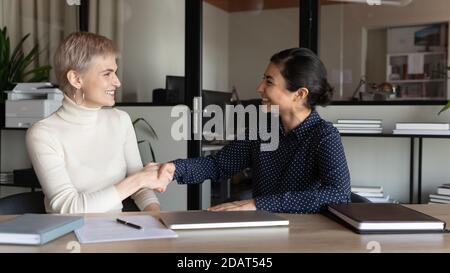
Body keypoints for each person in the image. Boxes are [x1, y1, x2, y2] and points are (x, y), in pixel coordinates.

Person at [152, 48, 351, 214]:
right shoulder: (262, 128)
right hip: (265, 230)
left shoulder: (324, 136)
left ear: (299, 94)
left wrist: (257, 205)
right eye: (263, 79)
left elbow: (338, 195)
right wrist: (173, 169)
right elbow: (219, 165)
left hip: (305, 235)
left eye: (269, 82)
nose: (259, 87)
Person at [26, 32, 172, 214]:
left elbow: (141, 189)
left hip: (118, 230)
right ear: (76, 79)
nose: (117, 82)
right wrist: (138, 180)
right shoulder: (43, 134)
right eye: (107, 74)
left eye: (115, 72)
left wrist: (157, 219)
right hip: (69, 237)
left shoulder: (120, 120)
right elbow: (68, 208)